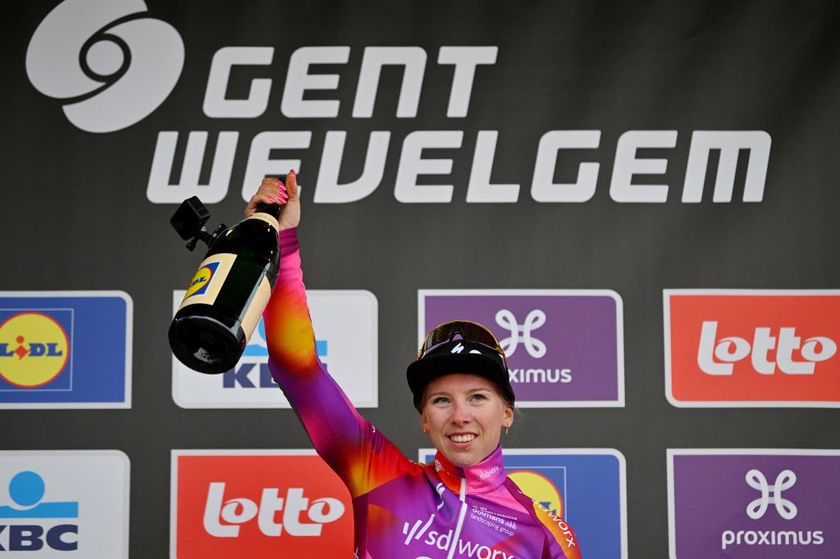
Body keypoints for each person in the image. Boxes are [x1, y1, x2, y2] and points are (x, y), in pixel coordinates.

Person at [247, 173, 582, 558]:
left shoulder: (545, 535)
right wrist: (280, 242)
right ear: (424, 418)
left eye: (477, 397)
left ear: (506, 412)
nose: (460, 416)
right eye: (441, 400)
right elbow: (298, 371)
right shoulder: (378, 475)